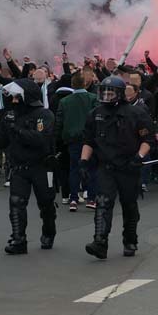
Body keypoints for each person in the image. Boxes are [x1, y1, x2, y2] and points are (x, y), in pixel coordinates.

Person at [79, 76, 153, 260]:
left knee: (129, 205)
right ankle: (100, 242)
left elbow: (147, 140)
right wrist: (83, 162)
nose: (106, 95)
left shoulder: (136, 113)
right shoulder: (95, 114)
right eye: (104, 91)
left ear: (119, 94)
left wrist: (139, 157)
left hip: (129, 166)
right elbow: (88, 141)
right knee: (103, 202)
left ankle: (130, 240)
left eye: (110, 92)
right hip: (106, 166)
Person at [0, 79, 57, 254]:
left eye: (17, 97)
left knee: (46, 203)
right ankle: (18, 239)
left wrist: (16, 130)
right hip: (19, 167)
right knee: (16, 202)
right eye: (13, 98)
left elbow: (41, 139)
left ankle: (48, 232)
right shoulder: (10, 115)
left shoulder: (44, 115)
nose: (14, 101)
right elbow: (4, 141)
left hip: (42, 166)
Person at [55, 71, 98, 211]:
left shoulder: (64, 101)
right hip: (90, 139)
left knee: (74, 169)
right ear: (85, 83)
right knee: (91, 168)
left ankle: (73, 198)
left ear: (72, 84)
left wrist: (59, 139)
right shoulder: (93, 98)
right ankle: (91, 198)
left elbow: (59, 122)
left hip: (72, 139)